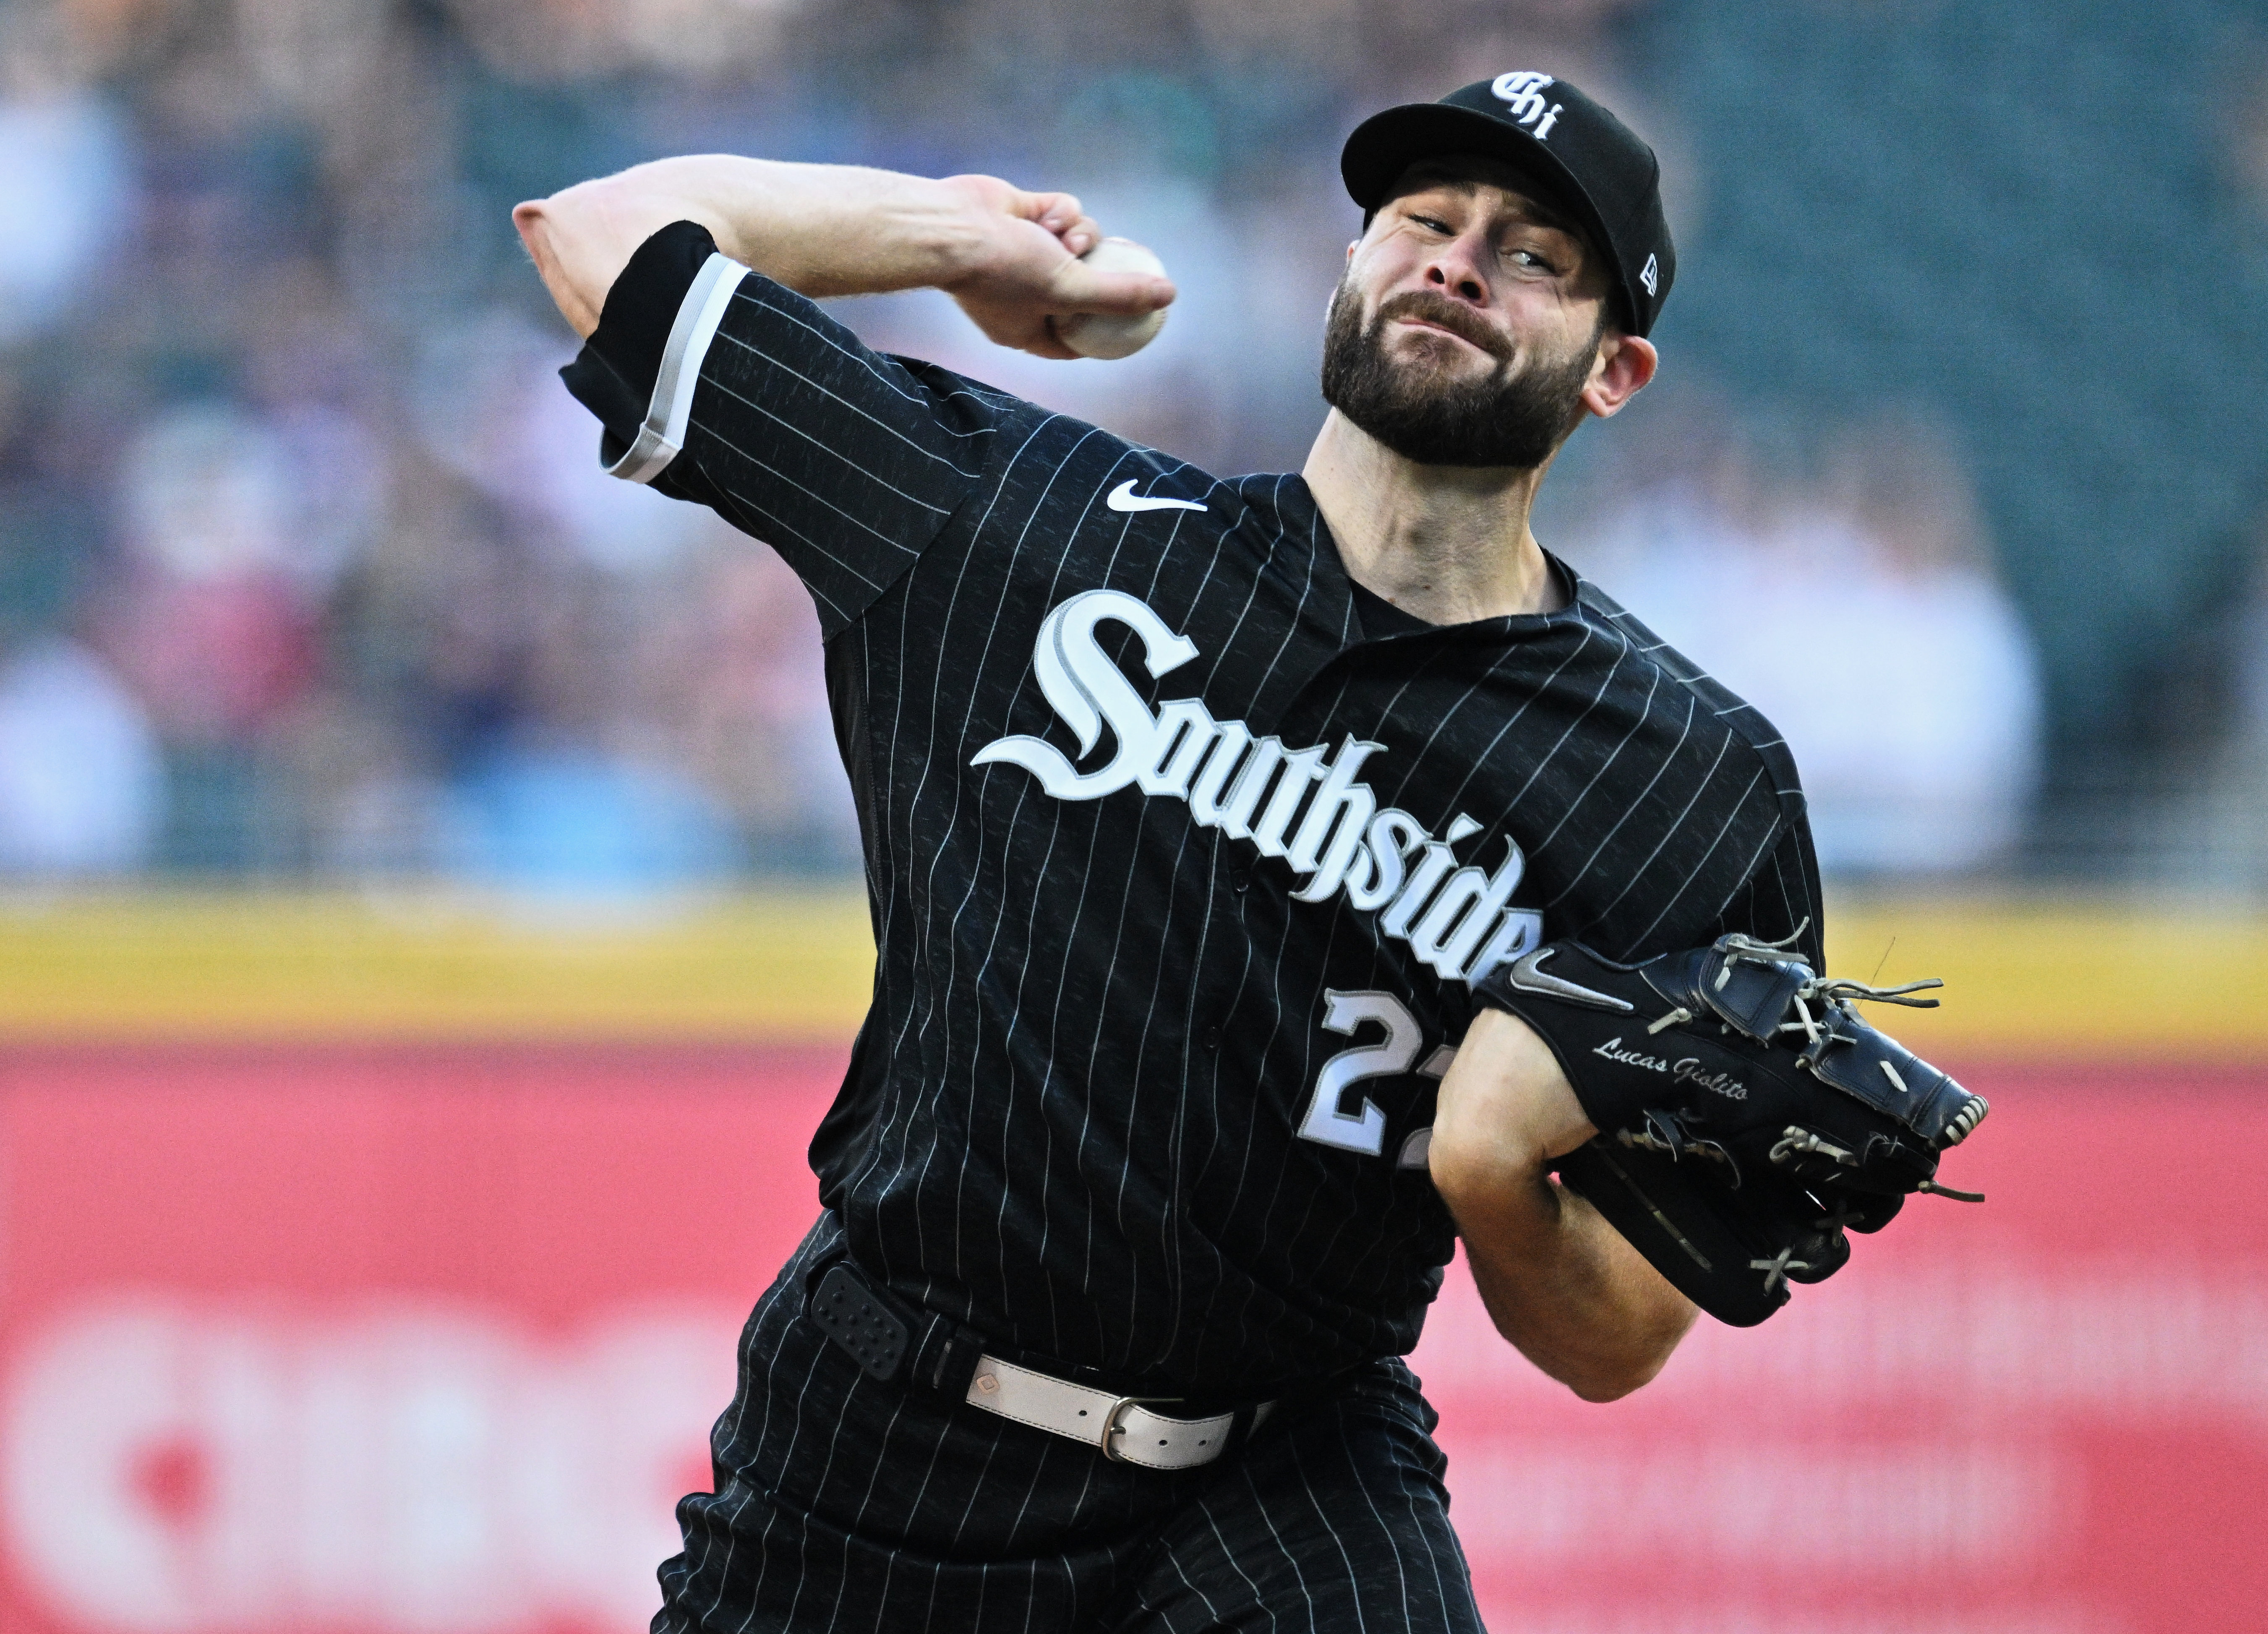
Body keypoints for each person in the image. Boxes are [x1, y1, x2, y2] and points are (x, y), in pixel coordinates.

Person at [516, 72, 1821, 1633]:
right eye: (1424, 219)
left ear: (1616, 371)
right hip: (879, 1441)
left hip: (1285, 1480)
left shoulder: (1686, 782)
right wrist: (956, 239)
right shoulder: (1019, 525)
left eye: (1536, 255)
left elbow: (1616, 1343)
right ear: (1347, 269)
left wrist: (1495, 1178)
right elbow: (597, 237)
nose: (1461, 262)